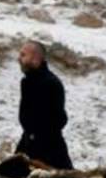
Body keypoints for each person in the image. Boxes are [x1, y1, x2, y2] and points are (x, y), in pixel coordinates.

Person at [15, 41, 74, 170]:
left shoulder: (51, 83)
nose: (19, 59)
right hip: (27, 143)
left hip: (49, 149)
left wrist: (38, 135)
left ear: (36, 59)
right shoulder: (26, 82)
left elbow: (59, 119)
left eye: (23, 55)